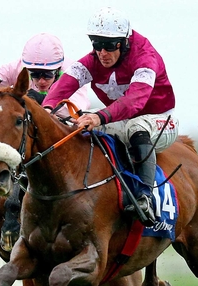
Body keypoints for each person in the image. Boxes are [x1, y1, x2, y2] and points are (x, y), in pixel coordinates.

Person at [42, 7, 179, 226]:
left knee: (136, 128)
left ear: (124, 42)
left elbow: (136, 100)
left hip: (160, 120)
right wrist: (47, 108)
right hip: (120, 120)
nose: (102, 53)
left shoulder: (145, 57)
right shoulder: (93, 60)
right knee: (80, 126)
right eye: (97, 45)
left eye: (109, 45)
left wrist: (99, 117)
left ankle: (145, 197)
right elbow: (65, 83)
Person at [0, 33, 90, 113]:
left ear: (58, 69)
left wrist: (43, 99)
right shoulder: (20, 66)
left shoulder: (75, 72)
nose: (41, 81)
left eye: (47, 75)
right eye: (35, 74)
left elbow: (77, 110)